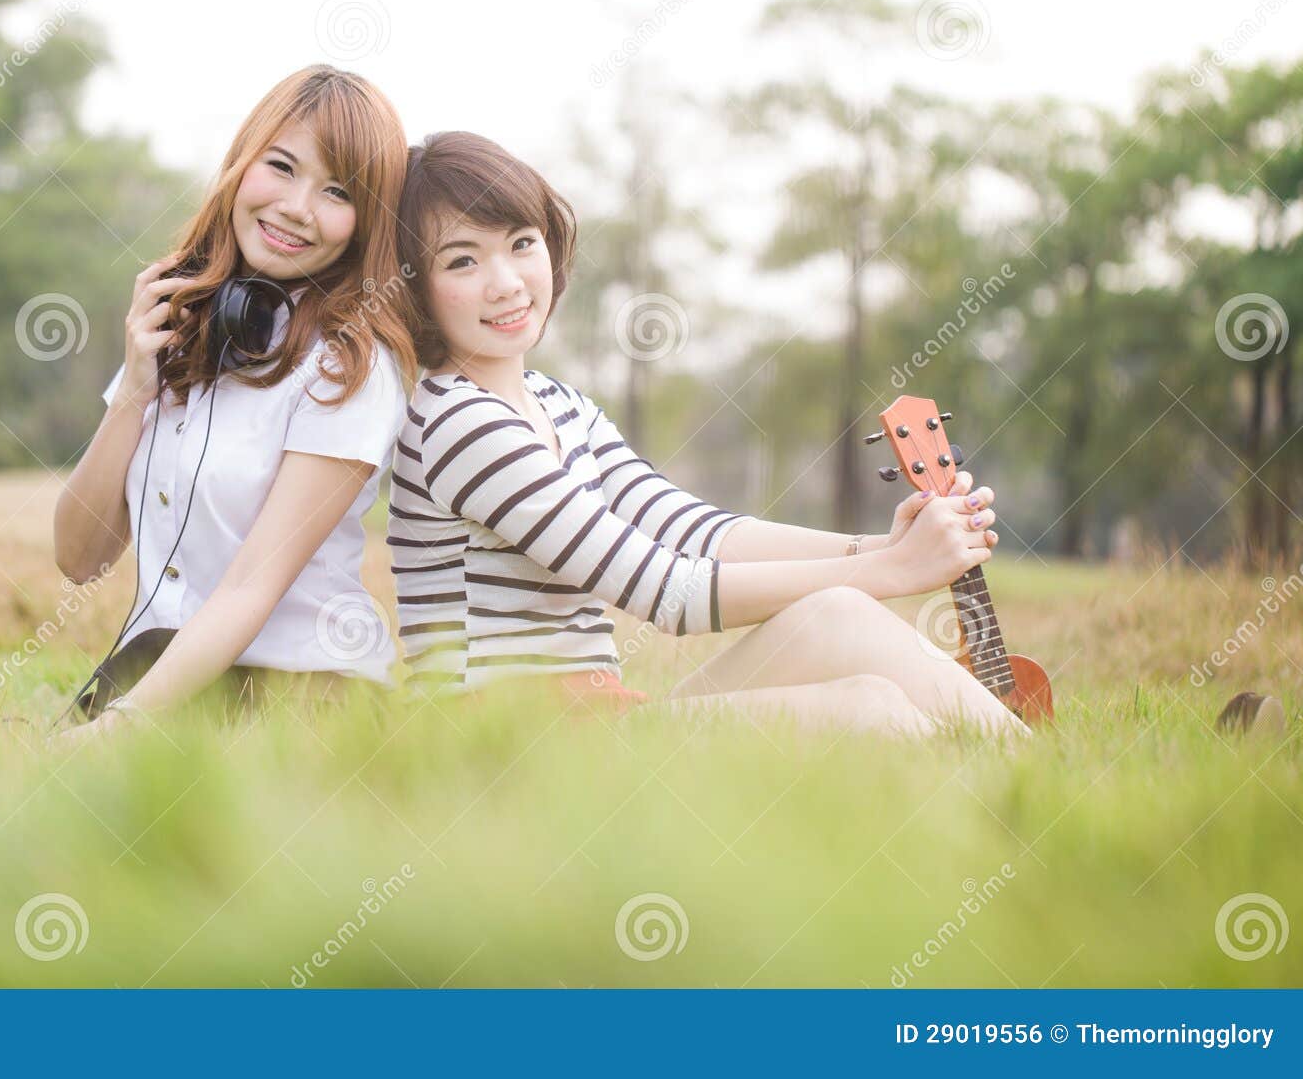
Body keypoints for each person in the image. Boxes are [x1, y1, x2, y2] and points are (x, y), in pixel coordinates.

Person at [387, 131, 1029, 740]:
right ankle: (1017, 808)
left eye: (522, 243)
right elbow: (667, 592)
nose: (506, 282)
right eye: (462, 260)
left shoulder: (560, 405)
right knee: (869, 709)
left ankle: (1029, 772)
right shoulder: (458, 422)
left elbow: (693, 531)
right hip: (503, 749)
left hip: (598, 720)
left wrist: (874, 548)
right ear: (414, 286)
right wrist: (896, 570)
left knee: (841, 614)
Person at [51, 66, 416, 743]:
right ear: (242, 161)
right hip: (164, 666)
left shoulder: (350, 364)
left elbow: (253, 585)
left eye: (337, 191)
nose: (298, 207)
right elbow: (79, 556)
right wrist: (134, 387)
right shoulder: (187, 318)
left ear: (365, 224)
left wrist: (119, 729)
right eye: (281, 167)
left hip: (301, 692)